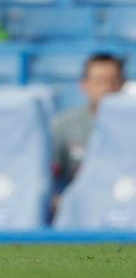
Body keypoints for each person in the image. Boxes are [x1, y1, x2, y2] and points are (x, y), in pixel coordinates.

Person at [52, 53, 127, 193]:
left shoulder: (131, 127)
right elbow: (46, 177)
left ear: (122, 84)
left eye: (113, 81)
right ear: (84, 85)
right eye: (99, 81)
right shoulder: (63, 125)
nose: (106, 88)